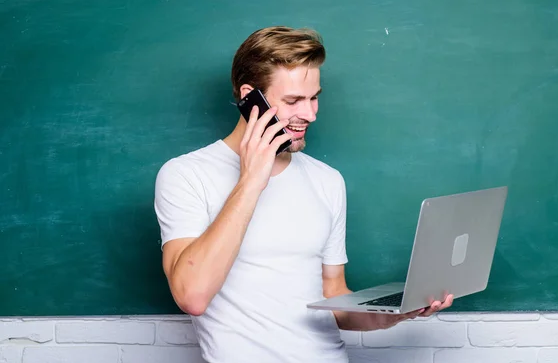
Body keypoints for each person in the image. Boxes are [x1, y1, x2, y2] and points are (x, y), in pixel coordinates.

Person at [153, 26, 453, 363]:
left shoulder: (327, 181)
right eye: (294, 100)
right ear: (251, 97)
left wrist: (398, 313)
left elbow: (335, 298)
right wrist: (252, 179)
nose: (310, 114)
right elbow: (192, 295)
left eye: (314, 97)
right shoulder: (185, 175)